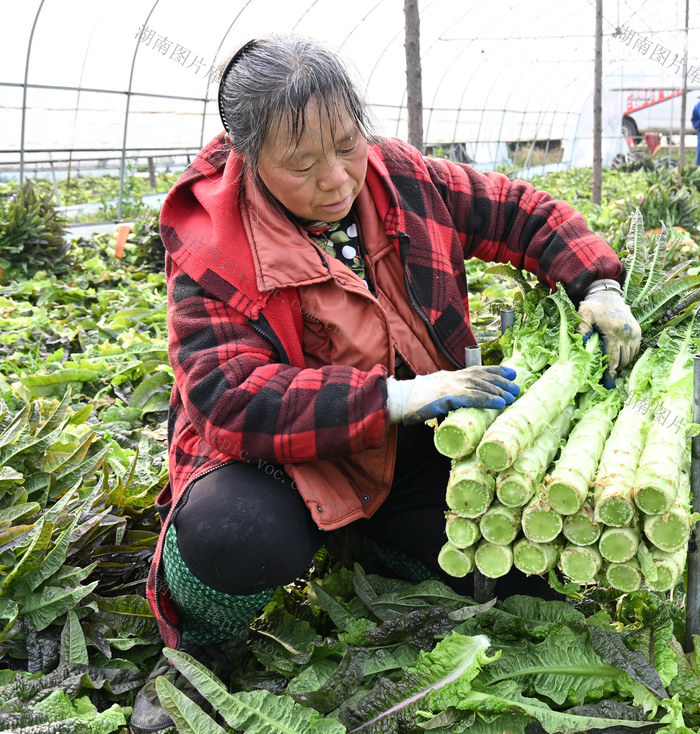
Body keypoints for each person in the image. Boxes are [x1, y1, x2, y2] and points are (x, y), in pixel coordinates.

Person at [130, 34, 641, 733]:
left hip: (405, 443)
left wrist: (597, 282)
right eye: (302, 163)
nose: (337, 178)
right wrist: (400, 396)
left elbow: (521, 211)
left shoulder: (402, 178)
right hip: (280, 460)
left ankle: (369, 539)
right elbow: (229, 397)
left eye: (346, 145)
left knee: (523, 569)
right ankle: (197, 648)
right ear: (249, 160)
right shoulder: (214, 240)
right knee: (237, 534)